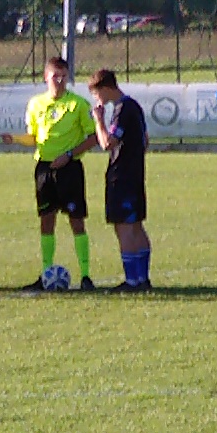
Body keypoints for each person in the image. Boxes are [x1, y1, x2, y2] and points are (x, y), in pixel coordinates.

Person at [1, 57, 99, 291]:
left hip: (70, 169)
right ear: (46, 77)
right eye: (55, 75)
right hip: (44, 168)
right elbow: (34, 137)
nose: (60, 80)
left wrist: (69, 155)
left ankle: (85, 275)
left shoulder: (78, 104)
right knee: (47, 221)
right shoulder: (35, 104)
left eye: (64, 75)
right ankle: (46, 273)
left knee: (76, 221)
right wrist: (14, 139)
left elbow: (93, 137)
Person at [88, 69, 152, 293]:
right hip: (135, 174)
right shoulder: (135, 106)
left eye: (97, 94)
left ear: (105, 89)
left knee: (123, 227)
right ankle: (143, 278)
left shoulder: (121, 109)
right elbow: (145, 140)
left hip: (122, 176)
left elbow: (107, 143)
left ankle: (133, 281)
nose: (97, 99)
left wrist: (98, 120)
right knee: (136, 226)